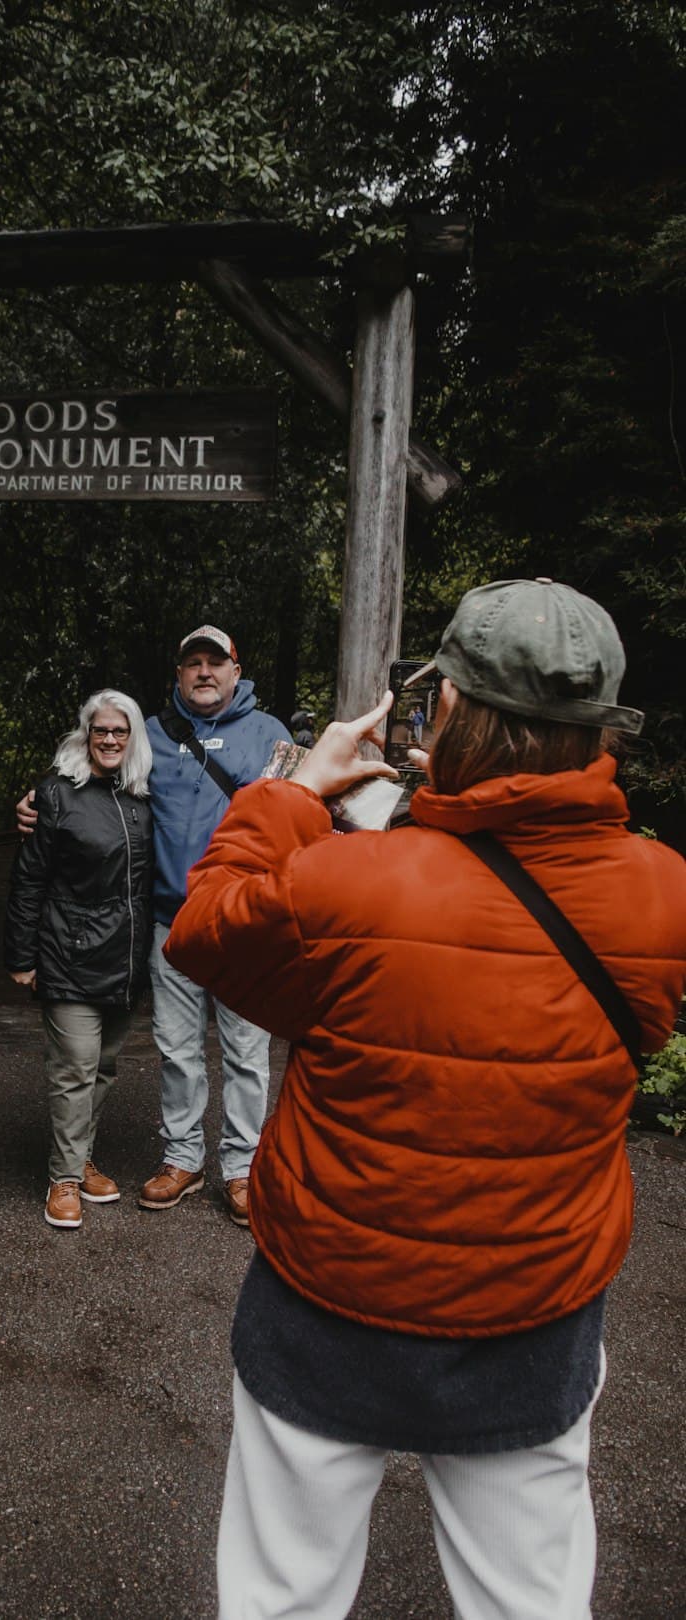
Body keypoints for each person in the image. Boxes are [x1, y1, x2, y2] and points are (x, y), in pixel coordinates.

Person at [164, 578, 686, 1619]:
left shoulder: (347, 885)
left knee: (281, 1596)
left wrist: (296, 793)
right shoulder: (665, 893)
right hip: (532, 1307)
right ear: (600, 728)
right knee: (531, 1602)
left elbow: (206, 929)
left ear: (447, 706)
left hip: (328, 1297)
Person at [17, 624, 290, 1225]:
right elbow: (89, 785)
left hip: (245, 924)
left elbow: (304, 814)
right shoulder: (152, 736)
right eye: (193, 663)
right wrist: (35, 804)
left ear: (236, 671)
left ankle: (242, 1169)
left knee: (247, 1052)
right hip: (172, 922)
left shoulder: (271, 735)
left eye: (215, 662)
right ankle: (184, 1160)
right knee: (178, 1050)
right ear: (179, 674)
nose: (204, 672)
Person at [4, 689, 153, 1230]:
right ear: (86, 734)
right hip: (68, 953)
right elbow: (29, 879)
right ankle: (63, 1178)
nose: (110, 739)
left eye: (119, 731)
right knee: (75, 1069)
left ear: (133, 737)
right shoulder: (56, 794)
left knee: (104, 1067)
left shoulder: (143, 794)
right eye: (100, 730)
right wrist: (21, 955)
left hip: (125, 958)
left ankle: (82, 1156)